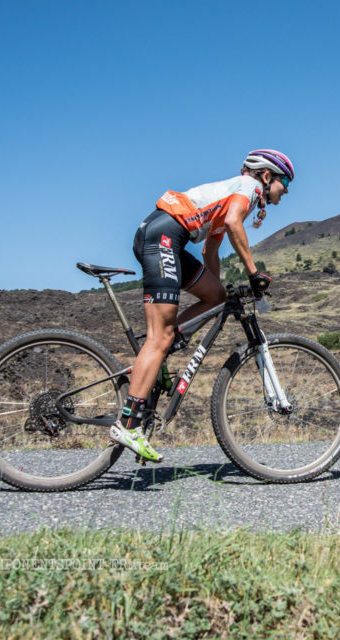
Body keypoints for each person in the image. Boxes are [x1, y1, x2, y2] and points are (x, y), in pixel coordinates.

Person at [109, 149, 294, 461]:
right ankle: (127, 424)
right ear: (266, 176)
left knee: (216, 297)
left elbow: (211, 250)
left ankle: (163, 352)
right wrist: (254, 272)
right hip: (164, 238)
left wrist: (218, 293)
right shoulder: (247, 188)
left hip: (169, 238)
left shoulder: (231, 197)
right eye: (285, 182)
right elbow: (235, 223)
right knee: (160, 336)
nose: (285, 190)